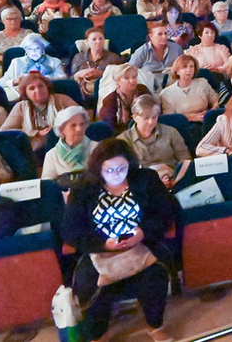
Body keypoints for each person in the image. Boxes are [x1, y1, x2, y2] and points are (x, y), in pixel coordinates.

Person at [63, 139, 175, 342]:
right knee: (88, 285)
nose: (117, 174)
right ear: (99, 169)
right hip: (100, 250)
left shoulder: (146, 179)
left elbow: (166, 212)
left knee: (155, 274)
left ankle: (154, 325)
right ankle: (100, 334)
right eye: (110, 170)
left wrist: (142, 233)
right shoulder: (83, 189)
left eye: (121, 168)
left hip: (141, 244)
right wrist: (103, 244)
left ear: (130, 164)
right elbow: (71, 230)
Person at [1, 71, 79, 152]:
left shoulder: (61, 100)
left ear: (47, 87)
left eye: (41, 86)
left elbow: (81, 117)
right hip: (31, 150)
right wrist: (36, 133)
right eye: (32, 88)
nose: (38, 90)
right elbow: (5, 131)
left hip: (63, 146)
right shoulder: (21, 107)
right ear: (25, 93)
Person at [118, 94, 191, 179]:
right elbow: (122, 172)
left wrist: (176, 180)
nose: (151, 122)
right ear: (134, 117)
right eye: (146, 118)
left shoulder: (171, 132)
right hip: (142, 184)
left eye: (154, 117)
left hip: (173, 179)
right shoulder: (123, 141)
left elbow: (185, 160)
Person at [0, 33, 67, 101]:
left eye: (37, 48)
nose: (34, 52)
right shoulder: (16, 62)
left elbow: (64, 80)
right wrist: (15, 81)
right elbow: (1, 82)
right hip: (20, 98)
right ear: (26, 50)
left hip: (45, 95)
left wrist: (44, 79)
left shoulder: (54, 62)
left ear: (43, 48)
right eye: (30, 49)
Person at [159, 55, 219, 123]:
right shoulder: (166, 93)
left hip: (205, 122)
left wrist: (210, 113)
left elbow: (216, 101)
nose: (188, 70)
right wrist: (190, 118)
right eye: (184, 67)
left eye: (191, 66)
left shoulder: (202, 83)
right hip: (183, 126)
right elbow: (170, 119)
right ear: (177, 71)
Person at [41, 105, 95, 181]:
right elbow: (48, 185)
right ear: (62, 129)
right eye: (73, 125)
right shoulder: (52, 155)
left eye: (82, 124)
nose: (79, 129)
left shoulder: (97, 148)